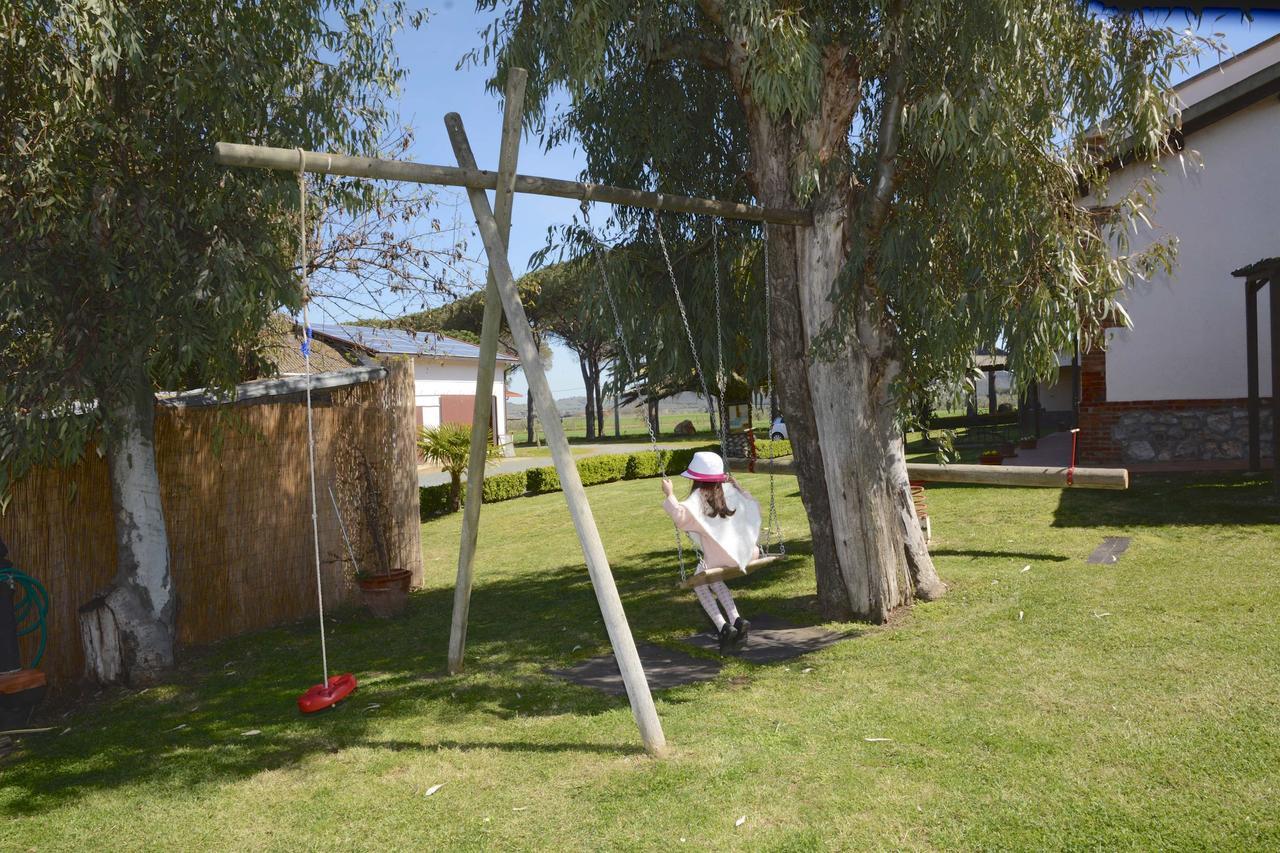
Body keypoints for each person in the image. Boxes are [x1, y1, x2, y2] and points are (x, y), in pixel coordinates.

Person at [661, 451, 758, 653]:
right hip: (747, 553)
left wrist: (670, 494)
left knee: (700, 581)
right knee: (712, 578)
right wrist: (738, 487)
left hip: (721, 558)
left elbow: (680, 517)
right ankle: (736, 620)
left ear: (696, 480)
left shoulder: (699, 501)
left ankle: (723, 626)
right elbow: (751, 503)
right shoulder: (729, 492)